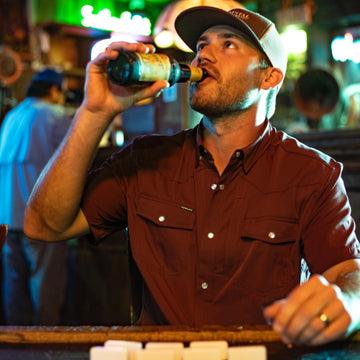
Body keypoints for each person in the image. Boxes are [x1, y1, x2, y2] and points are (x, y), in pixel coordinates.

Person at [24, 6, 360, 345]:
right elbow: (45, 226)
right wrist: (96, 111)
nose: (202, 56)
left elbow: (348, 274)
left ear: (269, 77)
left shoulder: (312, 174)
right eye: (201, 45)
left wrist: (347, 301)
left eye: (228, 44)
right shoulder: (145, 159)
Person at [0, 69, 71, 325]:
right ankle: (46, 346)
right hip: (39, 215)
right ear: (54, 90)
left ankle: (16, 344)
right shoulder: (55, 114)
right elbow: (77, 157)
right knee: (45, 286)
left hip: (7, 216)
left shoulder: (12, 116)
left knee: (14, 285)